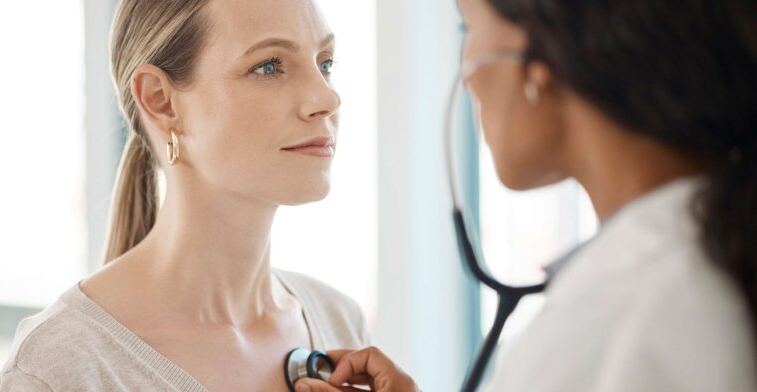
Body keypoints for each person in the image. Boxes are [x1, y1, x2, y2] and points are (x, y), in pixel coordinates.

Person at [296, 0, 757, 391]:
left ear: (542, 63)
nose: (466, 72)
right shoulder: (686, 270)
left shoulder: (622, 318)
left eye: (468, 28)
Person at [0, 0, 369, 390]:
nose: (327, 99)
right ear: (160, 99)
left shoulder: (339, 322)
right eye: (269, 66)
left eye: (325, 64)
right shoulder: (60, 370)